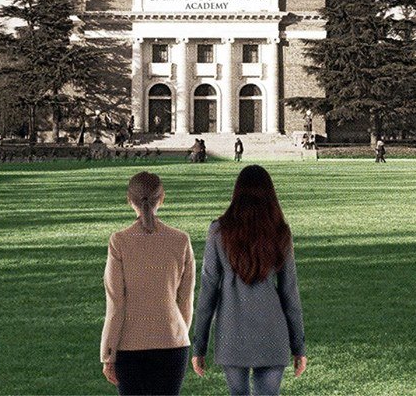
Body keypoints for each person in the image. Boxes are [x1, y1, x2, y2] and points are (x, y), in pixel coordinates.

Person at [192, 165, 306, 396]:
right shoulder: (280, 231)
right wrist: (298, 346)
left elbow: (208, 291)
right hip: (272, 332)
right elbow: (289, 293)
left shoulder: (218, 231)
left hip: (232, 334)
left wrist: (199, 346)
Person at [101, 172, 195, 396]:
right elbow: (186, 300)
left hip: (129, 346)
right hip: (173, 342)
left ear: (129, 200)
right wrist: (177, 332)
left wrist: (108, 354)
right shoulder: (181, 240)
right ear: (162, 198)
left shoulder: (119, 241)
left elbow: (115, 304)